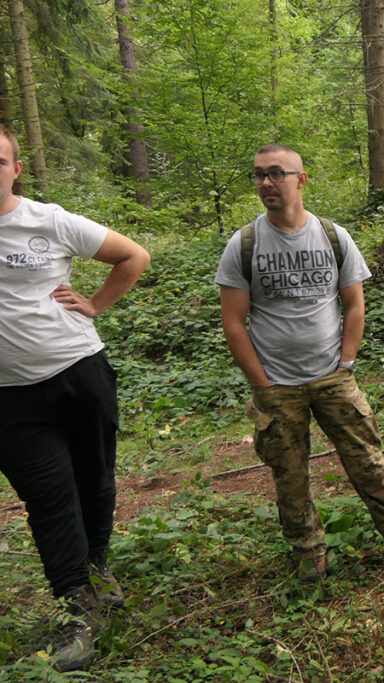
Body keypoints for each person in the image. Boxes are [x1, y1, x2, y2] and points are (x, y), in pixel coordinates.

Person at [215, 144, 384, 585]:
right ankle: (309, 553)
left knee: (368, 460)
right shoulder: (244, 244)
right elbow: (233, 322)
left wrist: (347, 362)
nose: (265, 183)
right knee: (291, 475)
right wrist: (261, 383)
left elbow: (354, 304)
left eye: (276, 173)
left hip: (334, 377)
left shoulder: (333, 236)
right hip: (277, 384)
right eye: (258, 174)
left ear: (301, 179)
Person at [0, 125, 150, 671]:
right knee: (47, 499)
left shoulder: (49, 220)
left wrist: (94, 303)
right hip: (8, 400)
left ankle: (98, 565)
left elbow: (133, 255)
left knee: (95, 478)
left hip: (77, 373)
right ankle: (74, 609)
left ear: (16, 169)